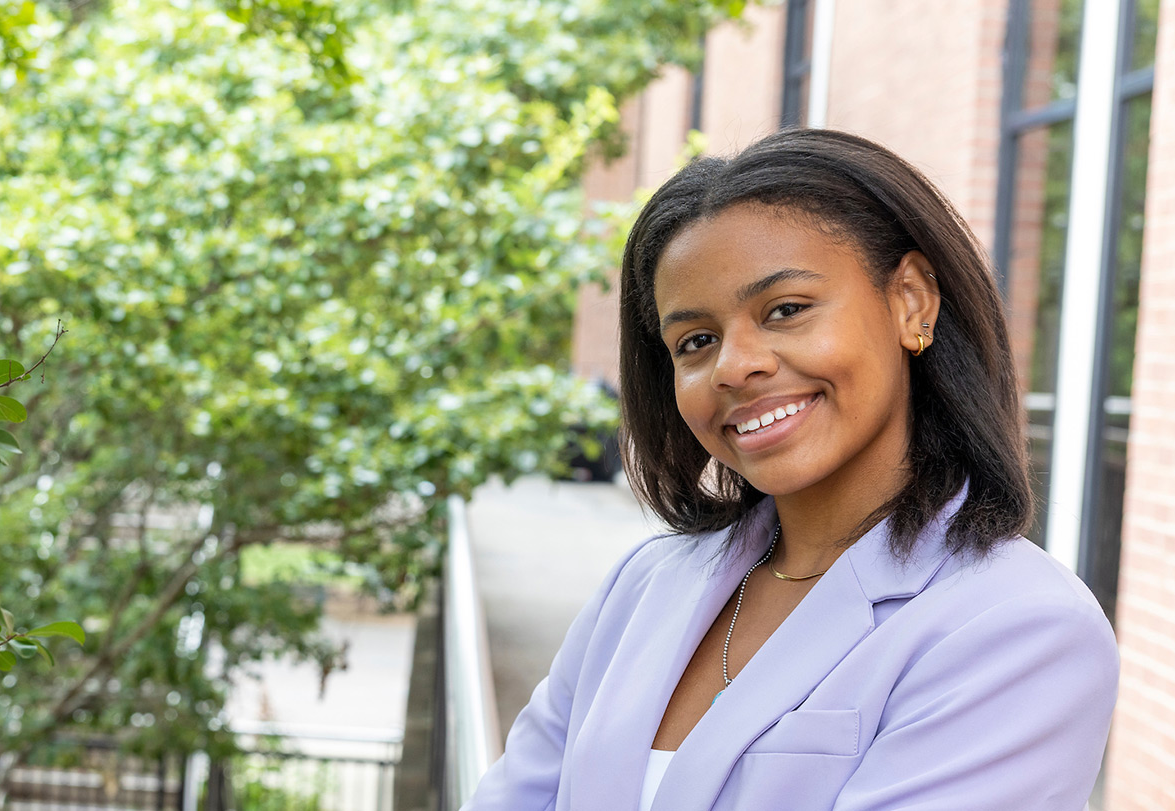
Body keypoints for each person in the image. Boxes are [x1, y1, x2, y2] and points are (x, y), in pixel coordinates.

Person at [461, 129, 1119, 811]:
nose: (734, 365)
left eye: (785, 310)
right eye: (696, 341)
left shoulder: (1022, 628)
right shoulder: (641, 588)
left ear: (912, 301)